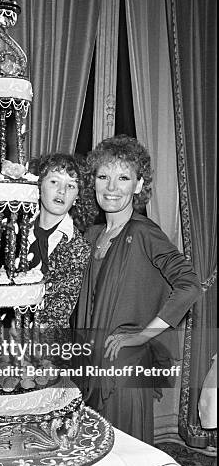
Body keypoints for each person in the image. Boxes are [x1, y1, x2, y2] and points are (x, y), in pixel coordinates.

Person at [75, 135, 201, 444]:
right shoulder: (93, 236)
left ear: (139, 184)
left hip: (124, 372)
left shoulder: (144, 233)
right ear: (93, 182)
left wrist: (142, 335)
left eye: (123, 177)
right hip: (91, 368)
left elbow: (190, 285)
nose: (112, 187)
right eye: (103, 177)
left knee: (123, 460)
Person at [28, 153, 95, 332]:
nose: (62, 191)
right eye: (54, 182)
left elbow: (58, 313)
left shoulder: (78, 249)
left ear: (78, 197)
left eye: (71, 186)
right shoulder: (14, 231)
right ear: (39, 185)